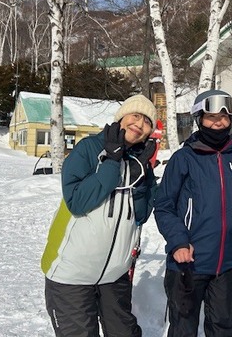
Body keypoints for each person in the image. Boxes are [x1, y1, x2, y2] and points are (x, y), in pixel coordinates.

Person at [41, 94, 158, 337]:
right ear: (121, 118)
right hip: (72, 274)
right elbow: (77, 202)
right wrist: (112, 162)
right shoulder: (89, 148)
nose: (139, 124)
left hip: (114, 275)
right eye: (135, 115)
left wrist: (139, 178)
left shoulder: (140, 162)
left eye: (147, 122)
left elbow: (141, 215)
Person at [154, 89, 232, 337]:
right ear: (199, 119)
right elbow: (164, 206)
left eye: (224, 117)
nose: (219, 122)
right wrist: (178, 242)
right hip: (188, 263)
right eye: (212, 117)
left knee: (222, 328)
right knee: (183, 329)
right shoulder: (183, 159)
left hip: (228, 265)